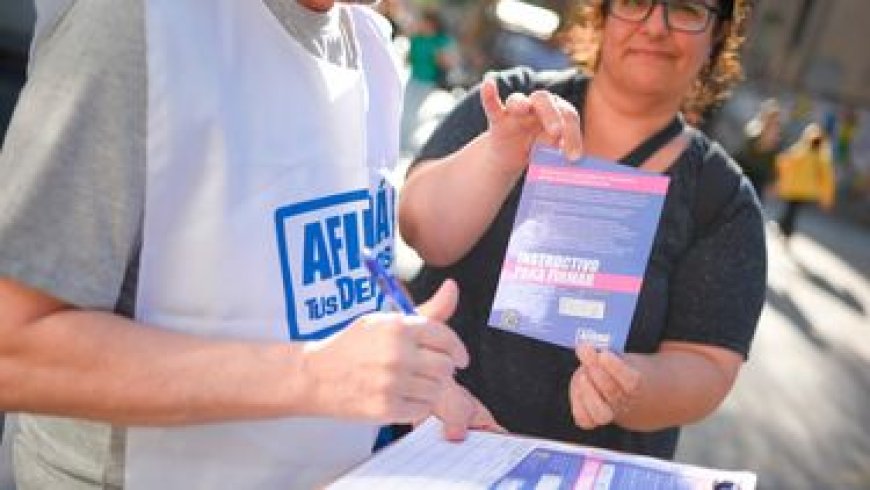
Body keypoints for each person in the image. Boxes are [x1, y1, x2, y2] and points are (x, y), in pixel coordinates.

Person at [0, 1, 501, 489]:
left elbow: (329, 279)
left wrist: (423, 383)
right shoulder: (136, 22)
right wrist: (312, 376)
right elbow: (15, 348)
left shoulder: (369, 45)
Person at [399, 0, 766, 460]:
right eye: (635, 3)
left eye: (686, 8)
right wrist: (498, 156)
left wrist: (634, 387)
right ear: (602, 14)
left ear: (718, 34)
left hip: (579, 469)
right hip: (425, 441)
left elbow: (709, 366)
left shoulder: (721, 199)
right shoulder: (512, 104)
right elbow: (419, 230)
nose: (656, 26)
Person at [775, 122, 836, 242]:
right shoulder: (820, 157)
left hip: (795, 188)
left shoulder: (802, 151)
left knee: (791, 210)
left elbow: (784, 163)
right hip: (804, 190)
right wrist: (827, 199)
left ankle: (785, 229)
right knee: (792, 210)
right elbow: (827, 179)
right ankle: (785, 229)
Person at [735, 98, 782, 202]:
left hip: (759, 179)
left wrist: (774, 181)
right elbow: (742, 153)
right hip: (745, 171)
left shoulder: (776, 138)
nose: (773, 121)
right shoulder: (753, 129)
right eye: (770, 117)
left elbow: (774, 162)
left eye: (775, 119)